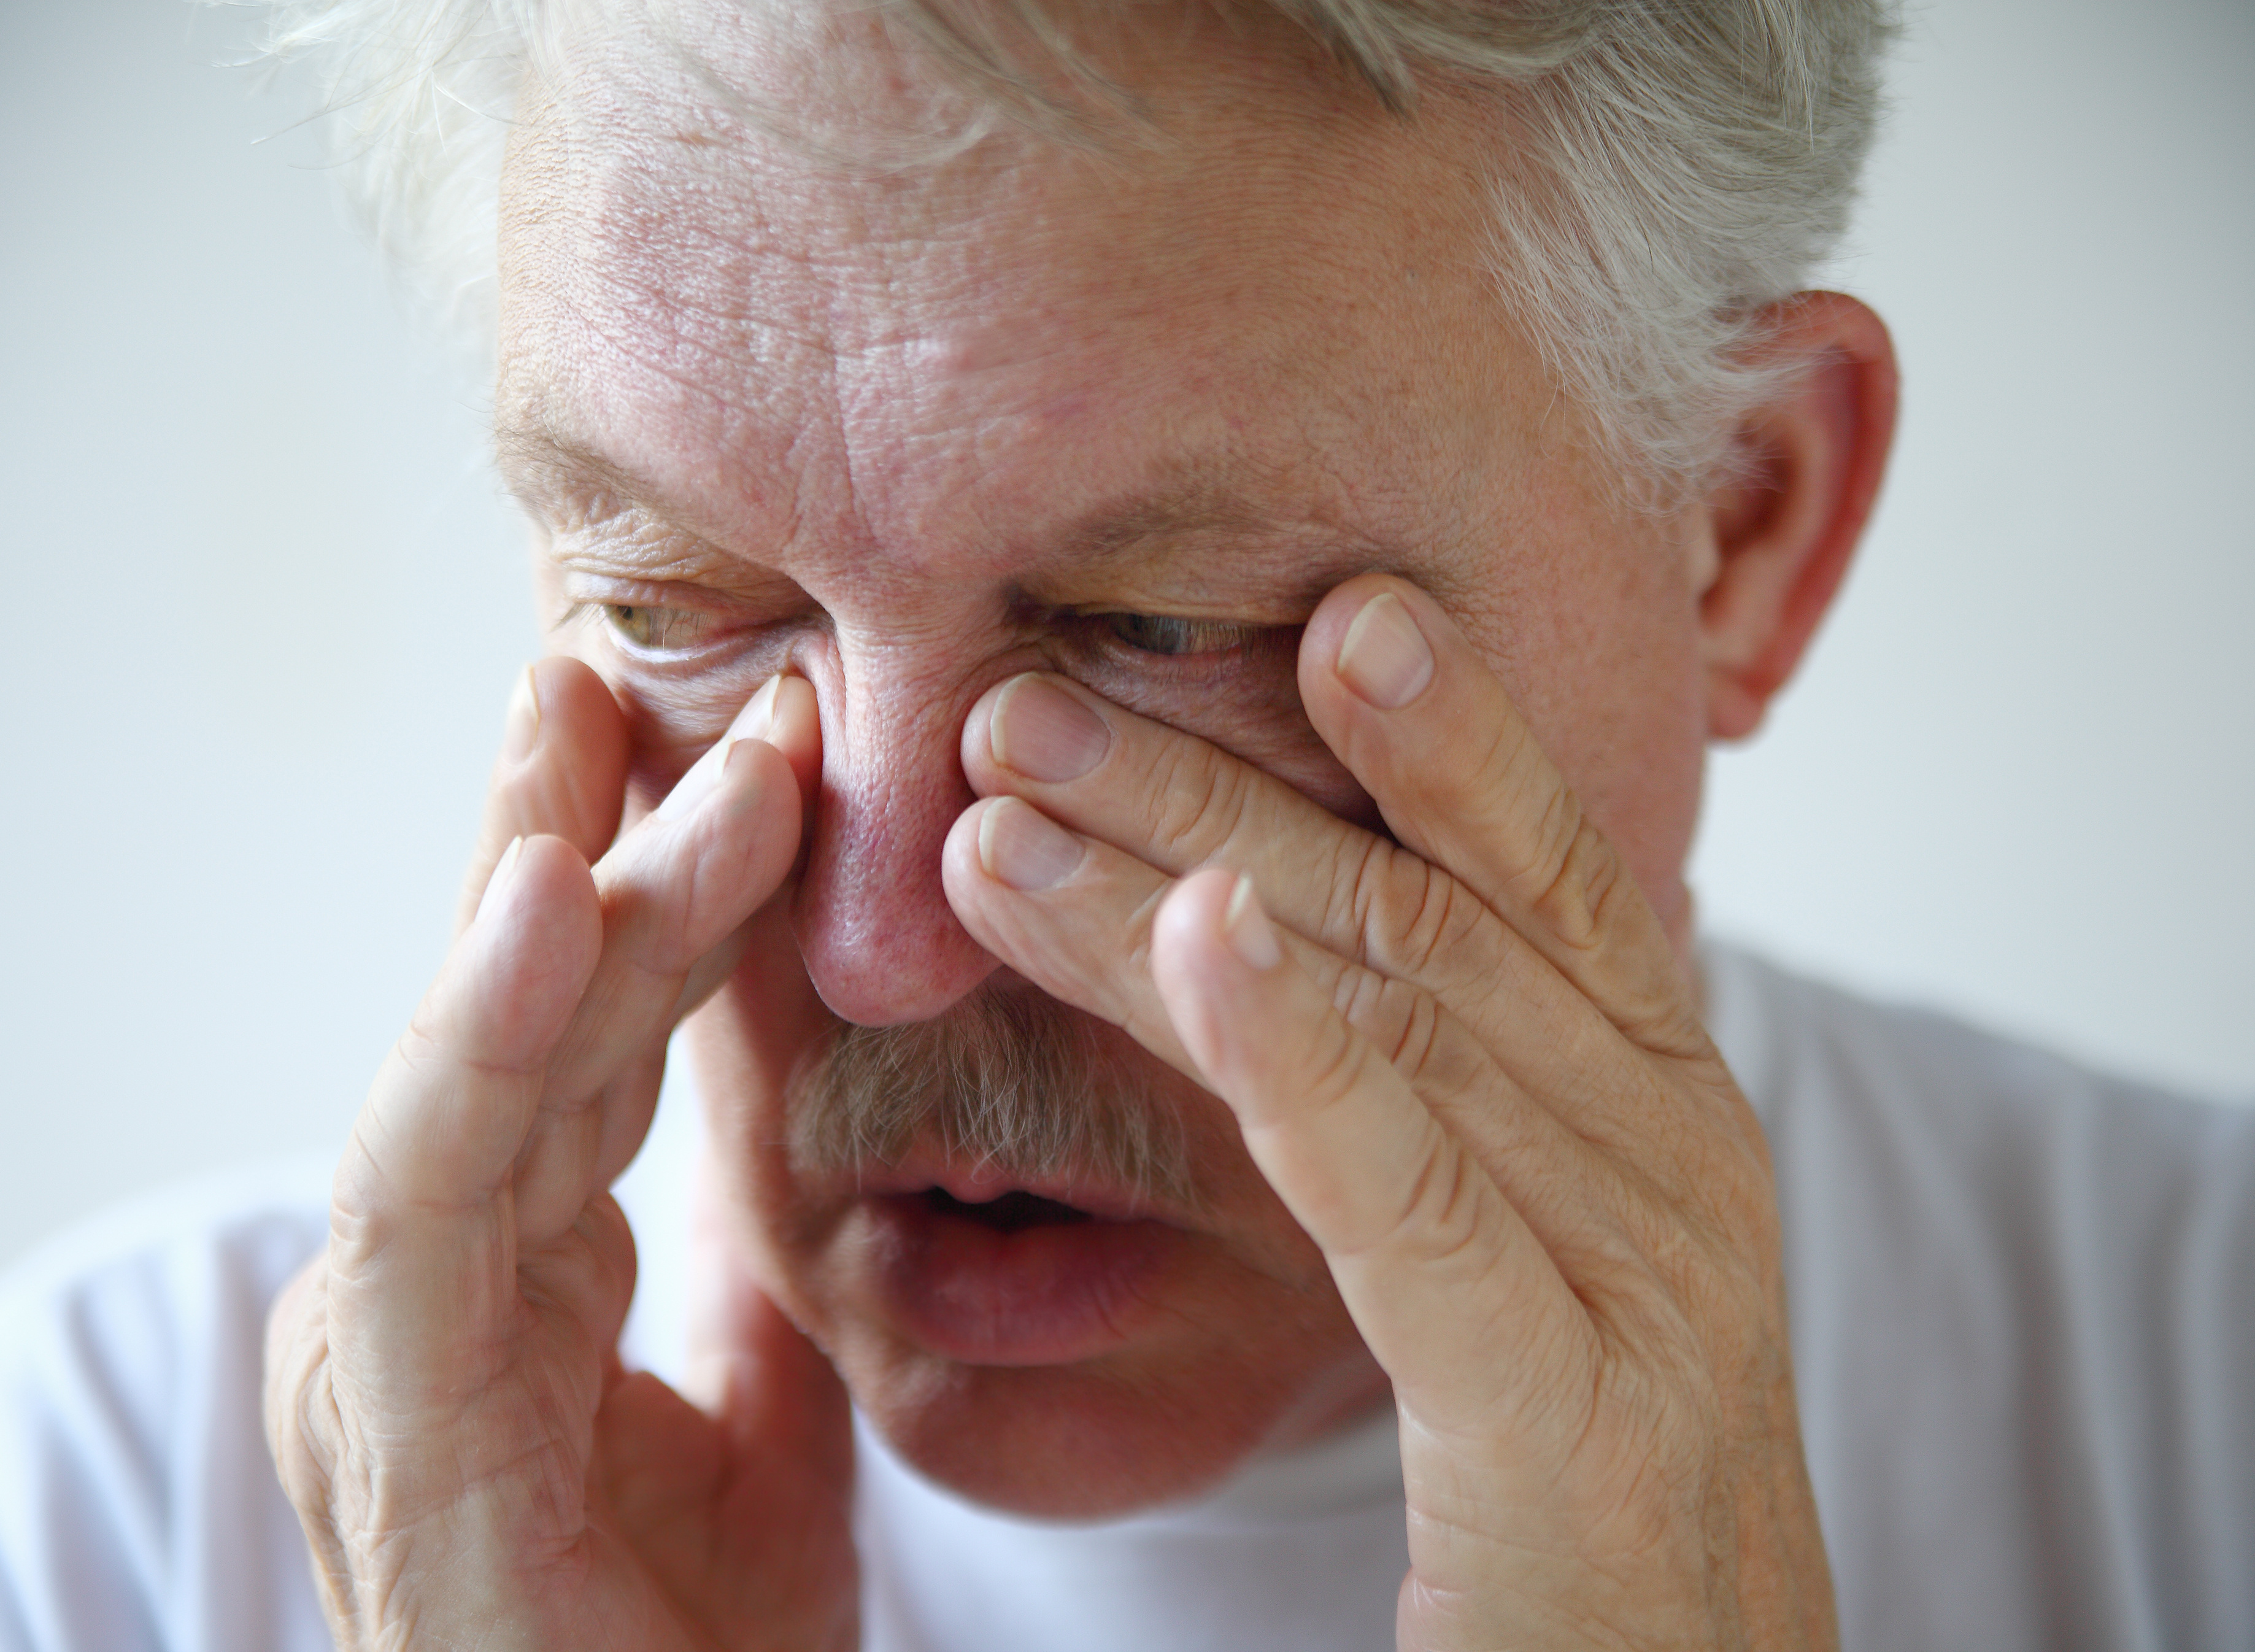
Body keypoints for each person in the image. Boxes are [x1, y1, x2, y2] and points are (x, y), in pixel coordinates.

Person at [2, 0, 2250, 1648]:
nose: (887, 940)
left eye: (1161, 627)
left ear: (1737, 531)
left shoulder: (2196, 1422)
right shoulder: (107, 1507)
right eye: (678, 601)